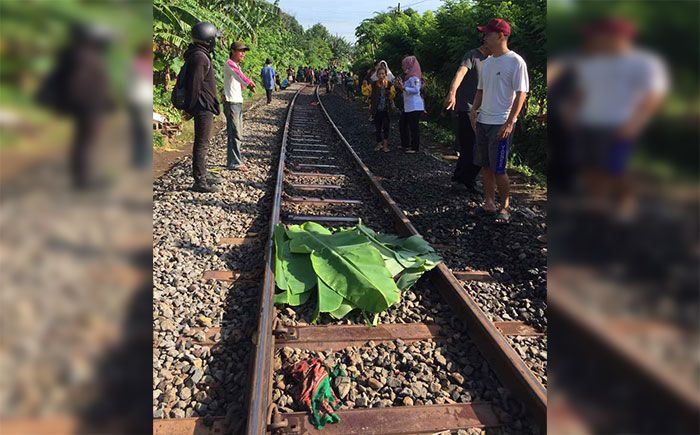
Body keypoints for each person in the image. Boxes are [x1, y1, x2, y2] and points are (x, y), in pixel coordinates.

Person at [469, 19, 529, 223]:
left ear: (501, 35)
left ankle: (505, 207)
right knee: (485, 165)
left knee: (499, 168)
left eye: (487, 33)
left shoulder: (515, 61)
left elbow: (521, 94)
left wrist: (511, 121)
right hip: (483, 121)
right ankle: (488, 203)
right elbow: (480, 90)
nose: (484, 37)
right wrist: (474, 110)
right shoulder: (486, 63)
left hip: (501, 122)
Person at [444, 40, 492, 194]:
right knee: (469, 146)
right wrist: (452, 93)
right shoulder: (472, 55)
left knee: (479, 147)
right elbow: (460, 73)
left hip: (485, 110)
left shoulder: (495, 59)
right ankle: (462, 180)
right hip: (467, 108)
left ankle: (464, 179)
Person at [183, 22, 223, 193]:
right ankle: (200, 181)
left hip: (204, 105)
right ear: (208, 39)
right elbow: (194, 86)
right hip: (202, 107)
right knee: (201, 144)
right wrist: (189, 109)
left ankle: (203, 174)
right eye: (215, 38)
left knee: (204, 143)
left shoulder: (200, 55)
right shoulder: (200, 57)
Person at [223, 40, 256, 172]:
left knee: (237, 132)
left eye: (244, 51)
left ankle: (233, 160)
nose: (243, 54)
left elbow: (237, 80)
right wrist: (249, 83)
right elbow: (239, 76)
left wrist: (246, 84)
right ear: (233, 51)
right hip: (232, 103)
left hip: (236, 101)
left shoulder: (236, 65)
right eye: (241, 51)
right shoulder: (230, 63)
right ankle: (234, 162)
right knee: (235, 133)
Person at [395, 56, 424, 153]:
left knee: (413, 127)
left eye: (404, 65)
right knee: (402, 124)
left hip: (415, 106)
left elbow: (416, 90)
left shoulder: (414, 77)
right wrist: (401, 86)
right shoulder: (408, 77)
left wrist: (403, 88)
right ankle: (405, 144)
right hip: (408, 107)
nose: (402, 67)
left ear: (409, 66)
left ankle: (415, 148)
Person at [370, 67, 395, 153]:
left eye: (383, 74)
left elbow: (393, 95)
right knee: (378, 127)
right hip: (376, 109)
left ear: (385, 74)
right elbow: (371, 96)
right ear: (377, 75)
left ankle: (385, 145)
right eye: (379, 74)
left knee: (386, 127)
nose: (381, 75)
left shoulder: (389, 84)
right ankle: (379, 143)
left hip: (386, 109)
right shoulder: (373, 84)